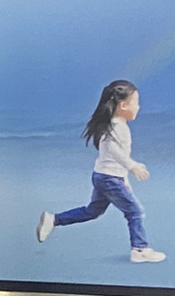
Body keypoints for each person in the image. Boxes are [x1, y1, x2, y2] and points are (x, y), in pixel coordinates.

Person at [37, 78, 164, 263]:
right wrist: (132, 165)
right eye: (136, 103)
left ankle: (54, 220)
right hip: (109, 179)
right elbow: (113, 151)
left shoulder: (115, 126)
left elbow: (113, 157)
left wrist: (124, 179)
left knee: (92, 211)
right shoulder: (117, 128)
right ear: (123, 105)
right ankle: (139, 249)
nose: (139, 107)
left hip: (105, 177)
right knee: (135, 212)